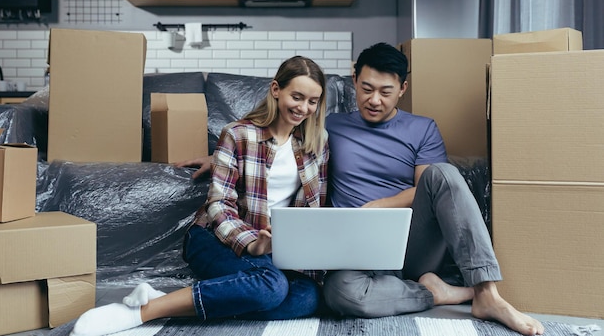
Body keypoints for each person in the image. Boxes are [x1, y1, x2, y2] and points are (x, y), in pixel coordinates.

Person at [179, 43, 545, 336]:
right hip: (352, 250)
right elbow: (271, 139)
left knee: (445, 174)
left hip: (411, 240)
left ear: (403, 88)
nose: (374, 100)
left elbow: (427, 187)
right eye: (366, 88)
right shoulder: (326, 126)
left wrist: (378, 206)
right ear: (353, 80)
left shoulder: (423, 128)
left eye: (386, 92)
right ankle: (433, 292)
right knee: (336, 296)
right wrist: (221, 157)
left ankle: (486, 294)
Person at [70, 56, 329, 336]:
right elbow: (219, 205)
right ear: (276, 90)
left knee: (306, 298)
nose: (304, 108)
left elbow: (313, 208)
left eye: (313, 101)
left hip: (274, 249)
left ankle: (172, 298)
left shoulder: (317, 143)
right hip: (215, 237)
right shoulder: (238, 134)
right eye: (297, 97)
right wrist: (252, 243)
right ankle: (142, 311)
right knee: (271, 287)